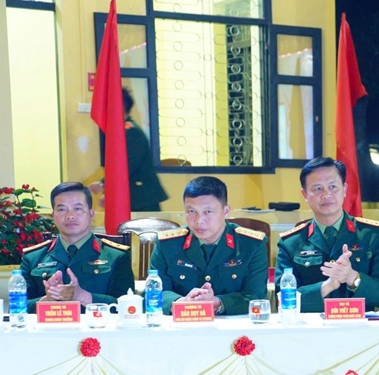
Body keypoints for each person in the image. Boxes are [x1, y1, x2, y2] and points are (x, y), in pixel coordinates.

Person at [275, 157, 379, 312]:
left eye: (333, 187)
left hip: (360, 324)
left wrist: (352, 277)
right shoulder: (290, 243)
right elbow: (282, 301)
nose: (326, 195)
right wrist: (327, 286)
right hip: (312, 325)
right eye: (317, 189)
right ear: (305, 195)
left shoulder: (372, 234)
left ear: (344, 189)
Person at [149, 176, 268, 315]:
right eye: (191, 211)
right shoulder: (167, 245)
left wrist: (217, 302)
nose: (199, 220)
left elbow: (255, 296)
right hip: (180, 323)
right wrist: (181, 302)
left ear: (226, 211)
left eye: (208, 212)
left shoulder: (251, 245)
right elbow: (154, 291)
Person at [20, 182, 134, 313]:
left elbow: (129, 307)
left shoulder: (116, 256)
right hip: (50, 326)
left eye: (78, 209)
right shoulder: (32, 257)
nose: (70, 216)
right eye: (62, 209)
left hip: (96, 325)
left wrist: (82, 297)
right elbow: (16, 307)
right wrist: (47, 300)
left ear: (91, 214)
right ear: (53, 216)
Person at [89, 88, 169, 211]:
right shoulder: (122, 131)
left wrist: (105, 185)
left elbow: (127, 166)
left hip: (141, 198)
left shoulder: (132, 132)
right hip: (133, 197)